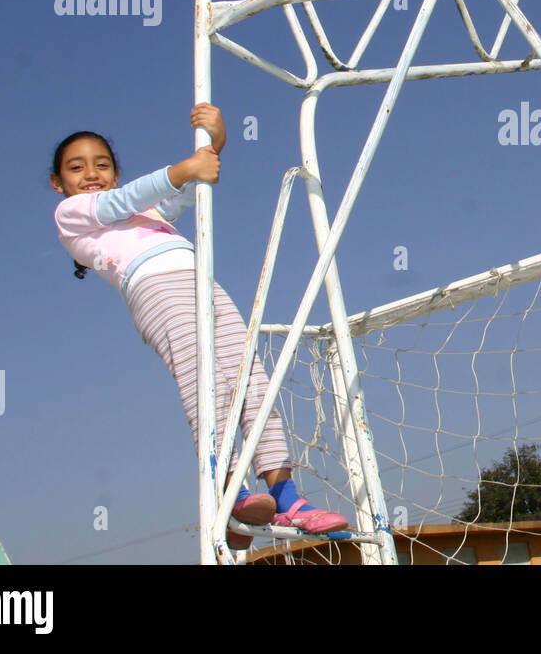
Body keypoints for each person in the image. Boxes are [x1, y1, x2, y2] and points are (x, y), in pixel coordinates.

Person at [50, 103, 347, 550]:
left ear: (115, 169)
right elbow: (124, 199)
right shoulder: (73, 213)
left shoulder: (147, 215)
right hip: (156, 291)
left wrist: (215, 143)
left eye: (102, 164)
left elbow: (189, 190)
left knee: (250, 383)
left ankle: (287, 497)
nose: (91, 173)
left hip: (201, 279)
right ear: (59, 183)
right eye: (77, 167)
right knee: (205, 386)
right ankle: (231, 491)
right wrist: (185, 166)